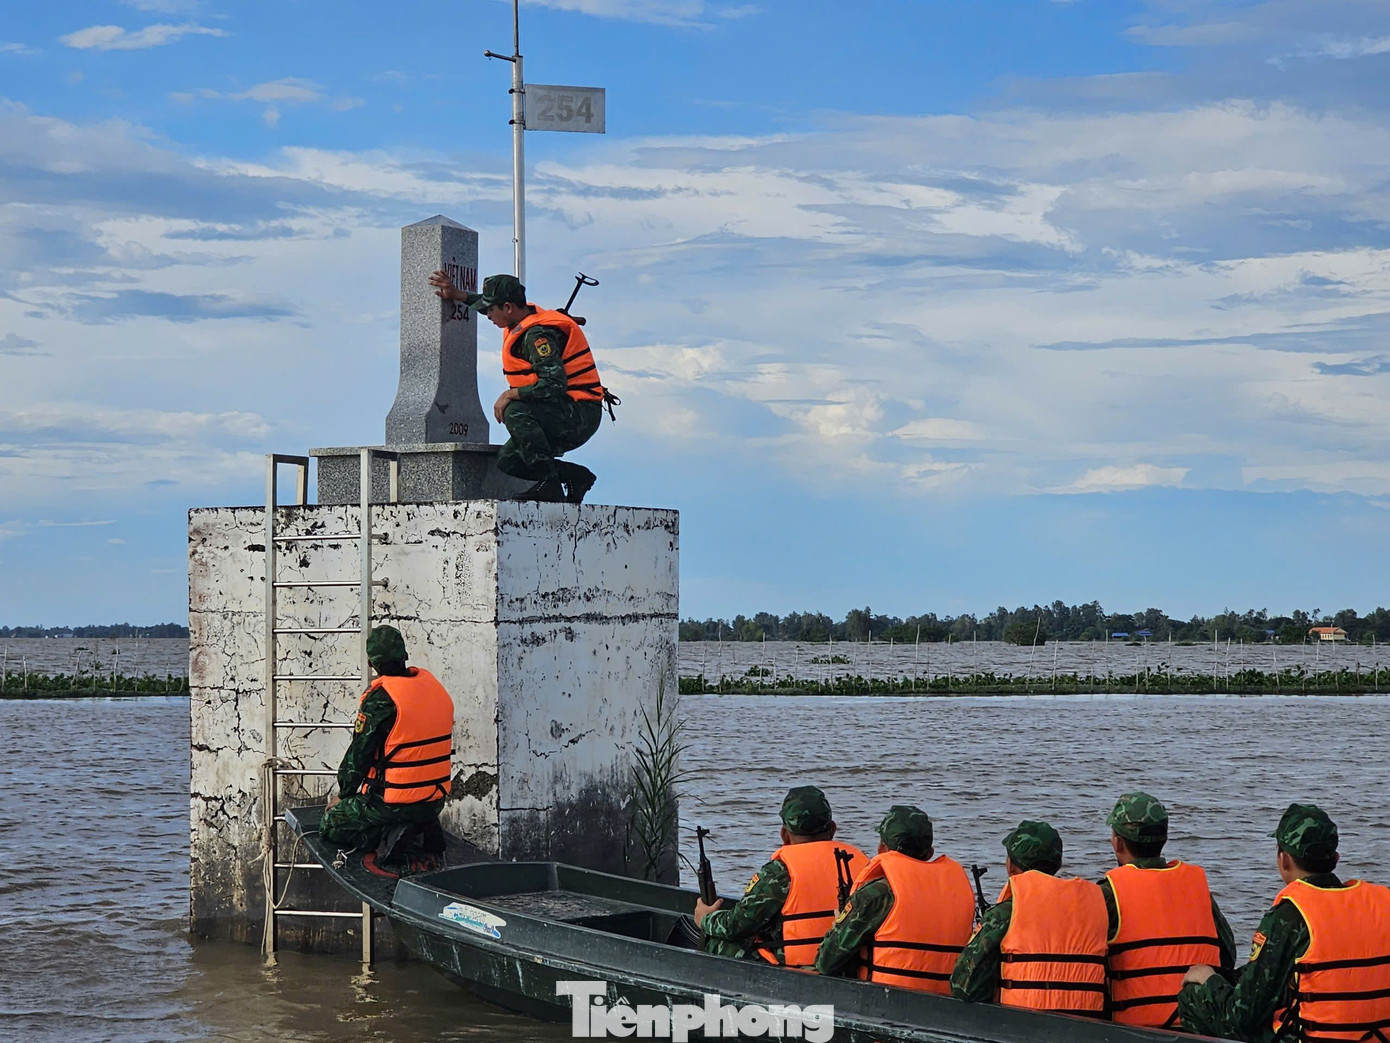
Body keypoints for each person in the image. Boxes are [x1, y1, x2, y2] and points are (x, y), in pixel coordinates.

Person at [1178, 803, 1390, 1043]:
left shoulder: (1291, 914)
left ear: (1284, 859)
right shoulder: (1382, 902)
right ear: (1336, 858)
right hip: (1378, 1037)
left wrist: (1208, 979)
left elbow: (1244, 1015)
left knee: (1193, 996)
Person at [428, 270, 609, 504]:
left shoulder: (536, 335)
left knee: (514, 410)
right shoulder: (520, 316)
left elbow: (554, 384)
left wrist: (510, 394)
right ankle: (575, 476)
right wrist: (457, 294)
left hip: (579, 414)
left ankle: (550, 486)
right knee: (509, 460)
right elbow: (484, 305)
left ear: (508, 308)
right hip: (559, 409)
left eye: (491, 310)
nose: (488, 315)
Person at [1101, 791, 1237, 1027]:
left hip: (1135, 1030)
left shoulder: (1109, 892)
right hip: (1198, 1025)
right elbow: (1227, 955)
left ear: (1118, 843)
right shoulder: (1196, 887)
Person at [318, 626, 455, 858]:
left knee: (330, 825)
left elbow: (358, 756)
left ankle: (388, 835)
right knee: (408, 810)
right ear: (405, 656)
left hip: (392, 803)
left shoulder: (381, 699)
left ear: (371, 664)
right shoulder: (434, 688)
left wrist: (344, 794)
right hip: (434, 800)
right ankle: (421, 825)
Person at [694, 785, 868, 966]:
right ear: (832, 829)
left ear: (784, 834)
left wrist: (705, 918)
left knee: (717, 942)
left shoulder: (780, 871)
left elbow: (736, 926)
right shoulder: (861, 862)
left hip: (796, 967)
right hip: (848, 965)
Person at [951, 820, 1109, 1017]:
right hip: (1089, 1025)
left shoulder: (1005, 913)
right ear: (1058, 865)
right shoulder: (1096, 906)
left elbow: (965, 986)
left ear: (1011, 866)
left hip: (1021, 1025)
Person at [813, 804, 975, 994]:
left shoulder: (877, 893)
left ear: (882, 847)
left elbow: (826, 962)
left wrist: (838, 923)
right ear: (930, 853)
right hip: (945, 998)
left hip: (885, 999)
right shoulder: (958, 890)